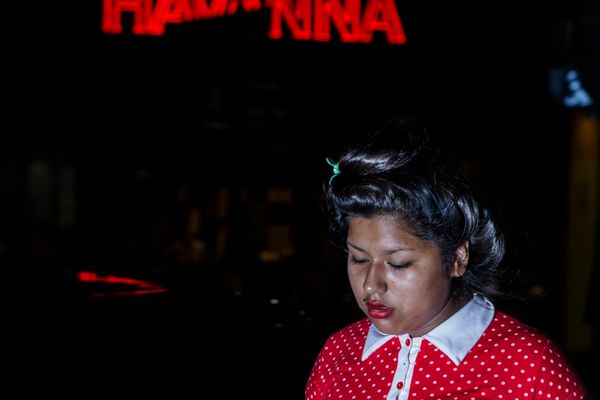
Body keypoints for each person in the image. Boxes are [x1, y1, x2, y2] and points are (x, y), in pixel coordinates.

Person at [305, 114, 588, 400]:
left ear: (456, 258)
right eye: (359, 259)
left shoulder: (529, 365)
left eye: (398, 264)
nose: (370, 284)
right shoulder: (338, 352)